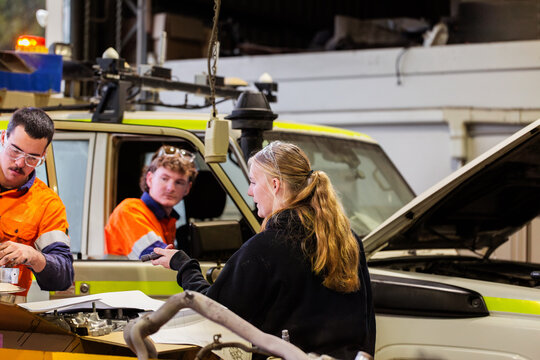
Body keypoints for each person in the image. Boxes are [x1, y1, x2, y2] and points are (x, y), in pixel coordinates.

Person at [152, 141, 376, 359]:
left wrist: (184, 265)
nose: (250, 192)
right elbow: (367, 325)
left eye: (253, 182)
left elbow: (215, 312)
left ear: (275, 185)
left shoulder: (266, 247)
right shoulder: (346, 239)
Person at [0, 107, 74, 303]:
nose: (20, 162)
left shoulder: (47, 204)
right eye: (15, 150)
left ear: (43, 155)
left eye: (32, 158)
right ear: (2, 139)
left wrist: (33, 256)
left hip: (6, 319)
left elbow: (63, 277)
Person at [105, 145, 198, 260]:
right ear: (149, 179)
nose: (171, 188)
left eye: (179, 182)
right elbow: (160, 260)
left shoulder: (167, 221)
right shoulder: (129, 210)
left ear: (187, 189)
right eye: (164, 178)